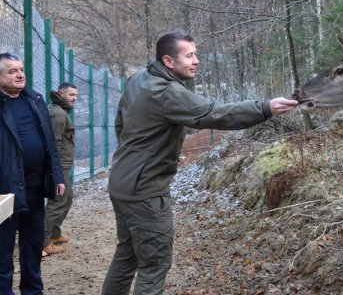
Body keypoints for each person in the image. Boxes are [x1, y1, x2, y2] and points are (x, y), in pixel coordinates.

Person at [102, 30, 298, 295]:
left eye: (196, 54)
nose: (197, 61)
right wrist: (265, 107)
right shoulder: (166, 91)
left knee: (127, 255)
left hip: (123, 181)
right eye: (190, 55)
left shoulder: (139, 78)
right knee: (155, 263)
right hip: (144, 190)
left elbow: (120, 122)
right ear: (169, 61)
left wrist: (131, 159)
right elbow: (213, 113)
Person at [0, 52, 65, 294]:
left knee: (32, 244)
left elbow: (49, 143)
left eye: (21, 70)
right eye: (11, 71)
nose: (19, 75)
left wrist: (57, 175)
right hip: (4, 191)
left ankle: (32, 290)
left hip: (35, 187)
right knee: (3, 251)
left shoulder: (34, 100)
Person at [42, 82, 78, 256]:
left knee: (67, 198)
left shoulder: (61, 111)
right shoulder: (57, 114)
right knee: (58, 201)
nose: (74, 99)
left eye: (75, 96)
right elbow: (53, 144)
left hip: (64, 163)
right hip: (59, 165)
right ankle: (42, 241)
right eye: (71, 95)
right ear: (61, 94)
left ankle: (54, 234)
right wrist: (54, 168)